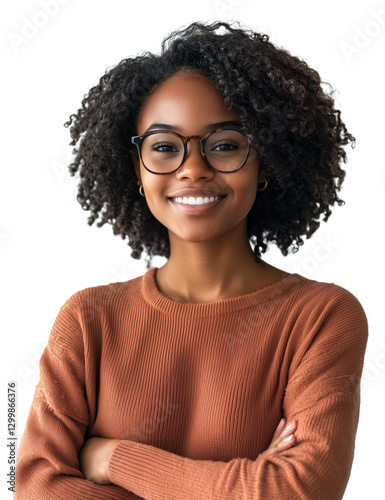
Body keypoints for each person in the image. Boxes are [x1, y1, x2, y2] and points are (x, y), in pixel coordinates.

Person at [15, 21, 368, 499]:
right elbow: (36, 487)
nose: (193, 168)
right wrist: (239, 484)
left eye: (225, 145)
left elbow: (296, 492)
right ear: (136, 171)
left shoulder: (320, 317)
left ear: (266, 162)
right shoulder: (87, 319)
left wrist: (111, 457)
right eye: (163, 147)